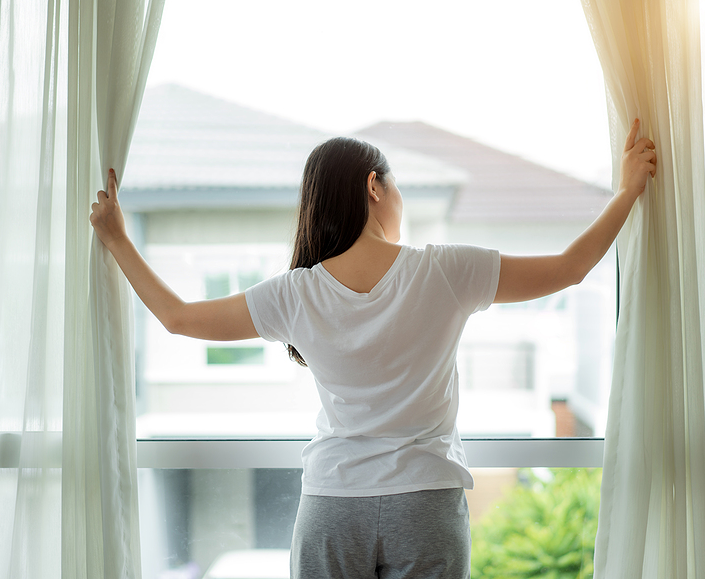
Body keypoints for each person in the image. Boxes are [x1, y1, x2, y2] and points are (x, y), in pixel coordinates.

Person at [90, 119, 657, 579]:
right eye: (398, 186)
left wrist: (117, 237)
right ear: (373, 185)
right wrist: (629, 189)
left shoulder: (296, 292)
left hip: (333, 505)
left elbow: (179, 318)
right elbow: (571, 268)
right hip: (425, 502)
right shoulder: (444, 270)